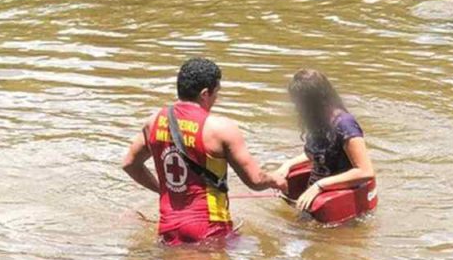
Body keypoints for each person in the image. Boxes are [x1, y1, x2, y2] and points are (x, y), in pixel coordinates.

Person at [122, 58, 286, 246]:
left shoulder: (155, 121)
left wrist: (163, 190)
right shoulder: (220, 129)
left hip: (167, 228)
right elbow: (256, 181)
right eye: (217, 93)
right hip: (209, 231)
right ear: (205, 93)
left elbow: (129, 164)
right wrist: (276, 180)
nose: (217, 98)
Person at [273, 69, 375, 212]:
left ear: (312, 102)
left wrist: (319, 186)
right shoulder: (317, 121)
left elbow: (365, 171)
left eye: (299, 103)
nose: (296, 108)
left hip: (339, 202)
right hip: (319, 198)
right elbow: (317, 155)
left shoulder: (345, 124)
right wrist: (288, 165)